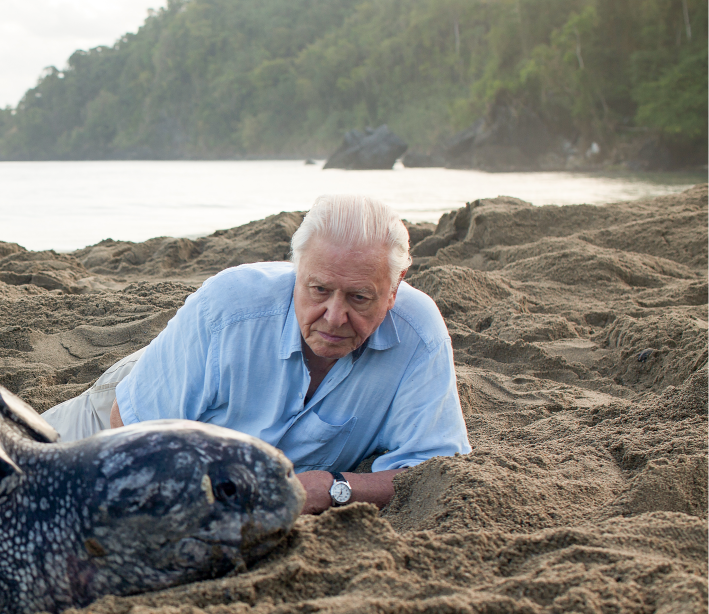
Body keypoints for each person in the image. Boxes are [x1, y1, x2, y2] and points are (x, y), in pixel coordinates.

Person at [41, 194, 470, 514]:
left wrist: (333, 486)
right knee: (13, 466)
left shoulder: (419, 334)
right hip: (142, 398)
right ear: (296, 272)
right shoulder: (229, 307)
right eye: (318, 290)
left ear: (394, 291)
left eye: (359, 297)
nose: (335, 316)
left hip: (245, 455)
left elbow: (432, 471)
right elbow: (129, 430)